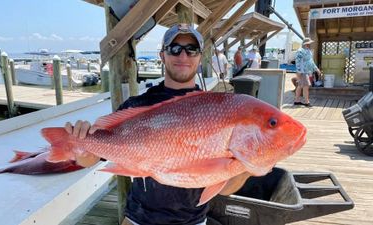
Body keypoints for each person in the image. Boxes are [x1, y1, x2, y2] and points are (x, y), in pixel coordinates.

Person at [64, 23, 252, 225]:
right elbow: (92, 159)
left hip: (193, 221)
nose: (183, 56)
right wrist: (82, 148)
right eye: (174, 49)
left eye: (191, 49)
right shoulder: (136, 106)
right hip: (137, 220)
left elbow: (224, 187)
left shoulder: (215, 108)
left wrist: (248, 166)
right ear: (162, 56)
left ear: (200, 57)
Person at [294, 37, 321, 107]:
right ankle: (306, 102)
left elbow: (311, 62)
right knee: (306, 86)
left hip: (306, 71)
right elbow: (298, 62)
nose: (310, 44)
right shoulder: (300, 51)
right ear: (306, 44)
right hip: (302, 72)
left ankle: (297, 100)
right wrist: (299, 71)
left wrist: (317, 69)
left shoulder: (309, 51)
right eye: (309, 43)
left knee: (300, 86)